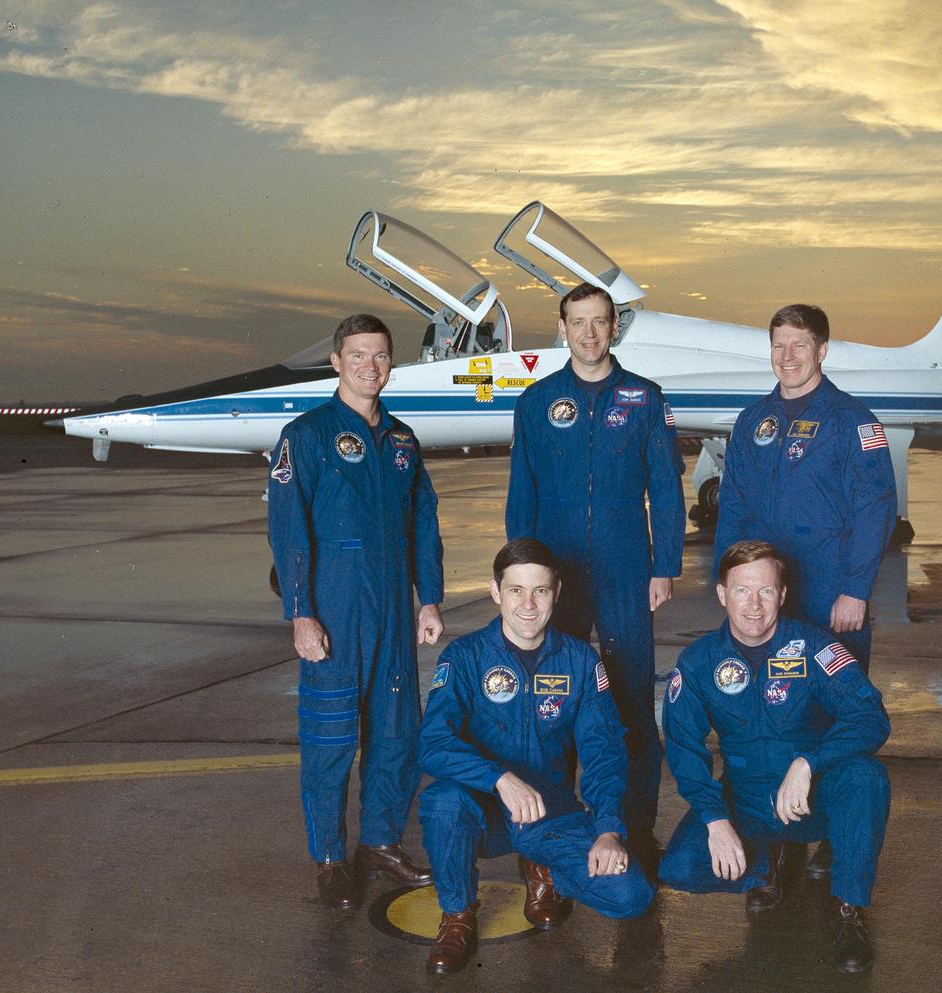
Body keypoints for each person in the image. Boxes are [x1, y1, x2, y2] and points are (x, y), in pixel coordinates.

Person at [267, 313, 443, 910]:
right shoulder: (307, 435)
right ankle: (329, 857)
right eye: (359, 355)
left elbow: (424, 522)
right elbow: (289, 530)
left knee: (396, 734)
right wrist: (301, 613)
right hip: (336, 613)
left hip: (393, 612)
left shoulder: (401, 441)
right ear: (337, 362)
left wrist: (430, 598)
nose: (371, 366)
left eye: (381, 356)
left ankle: (380, 843)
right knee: (330, 739)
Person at [505, 281, 685, 860]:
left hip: (625, 571)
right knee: (550, 701)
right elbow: (522, 493)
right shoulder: (536, 402)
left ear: (614, 328)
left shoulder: (644, 398)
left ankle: (635, 830)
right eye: (577, 322)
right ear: (562, 329)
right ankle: (553, 827)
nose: (588, 333)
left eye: (599, 321)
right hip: (554, 577)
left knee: (630, 703)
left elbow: (666, 488)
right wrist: (519, 577)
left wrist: (664, 566)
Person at [417, 539, 654, 975]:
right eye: (516, 590)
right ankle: (457, 915)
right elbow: (432, 743)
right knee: (442, 802)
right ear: (495, 591)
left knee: (631, 896)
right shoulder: (465, 657)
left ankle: (544, 867)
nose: (528, 604)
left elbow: (603, 752)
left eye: (540, 590)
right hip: (484, 810)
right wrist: (498, 778)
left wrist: (607, 830)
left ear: (557, 592)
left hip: (549, 812)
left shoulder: (579, 662)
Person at [659, 541, 890, 974]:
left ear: (782, 595)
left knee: (866, 777)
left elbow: (870, 716)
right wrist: (715, 820)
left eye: (765, 590)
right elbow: (684, 750)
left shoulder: (814, 648)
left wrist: (809, 763)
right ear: (722, 594)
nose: (754, 604)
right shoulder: (699, 663)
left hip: (810, 798)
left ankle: (848, 907)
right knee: (680, 867)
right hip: (746, 800)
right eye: (742, 590)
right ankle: (767, 863)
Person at [713, 302, 896, 672]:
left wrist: (855, 591)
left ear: (822, 351)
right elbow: (733, 506)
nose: (787, 357)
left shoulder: (853, 421)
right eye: (779, 346)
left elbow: (874, 510)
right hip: (763, 595)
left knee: (836, 694)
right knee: (767, 692)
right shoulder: (752, 421)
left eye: (799, 346)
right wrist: (728, 581)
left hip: (829, 592)